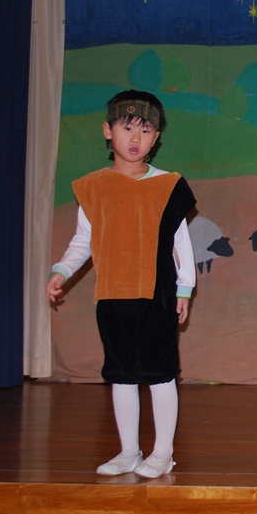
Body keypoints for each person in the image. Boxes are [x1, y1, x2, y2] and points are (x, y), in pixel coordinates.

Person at [46, 90, 197, 479]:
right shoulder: (94, 187)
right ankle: (129, 451)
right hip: (112, 295)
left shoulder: (169, 186)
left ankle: (163, 453)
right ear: (107, 131)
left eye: (145, 131)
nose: (135, 138)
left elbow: (181, 243)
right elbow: (84, 239)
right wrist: (62, 271)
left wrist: (184, 288)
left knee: (160, 373)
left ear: (156, 138)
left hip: (157, 295)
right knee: (122, 374)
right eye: (127, 128)